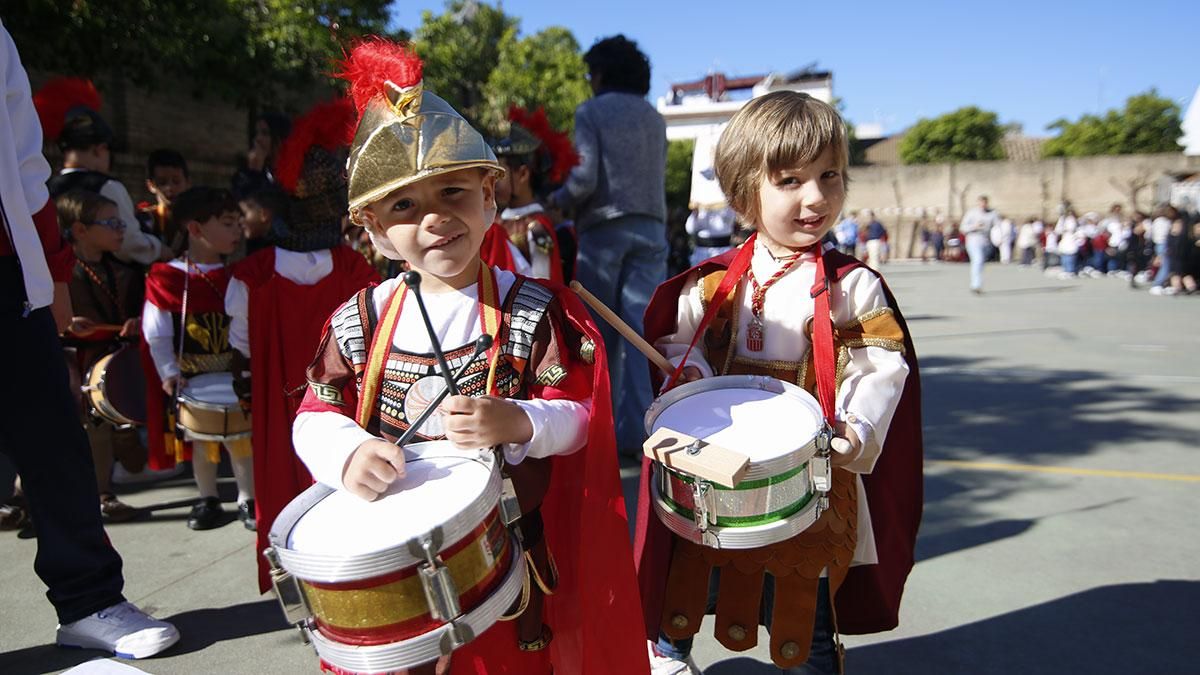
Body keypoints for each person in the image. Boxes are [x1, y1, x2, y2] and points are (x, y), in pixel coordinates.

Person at [292, 39, 647, 675]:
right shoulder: (359, 321)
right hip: (392, 562)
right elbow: (315, 414)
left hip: (503, 557)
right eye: (404, 205)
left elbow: (582, 418)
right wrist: (345, 452)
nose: (434, 219)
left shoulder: (534, 311)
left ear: (490, 196)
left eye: (452, 192)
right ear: (372, 229)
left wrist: (520, 422)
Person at [634, 91, 922, 675]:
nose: (816, 197)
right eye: (790, 180)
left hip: (809, 471)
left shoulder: (854, 287)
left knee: (805, 598)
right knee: (687, 574)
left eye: (829, 175)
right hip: (719, 465)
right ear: (744, 196)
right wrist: (688, 379)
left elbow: (879, 364)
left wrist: (853, 428)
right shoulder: (711, 284)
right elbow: (680, 349)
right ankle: (669, 656)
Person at [0, 20, 179, 657]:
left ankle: (90, 600)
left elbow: (23, 165)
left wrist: (50, 274)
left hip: (10, 278)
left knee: (53, 438)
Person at [225, 96, 380, 592]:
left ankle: (297, 582)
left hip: (280, 411)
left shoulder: (250, 277)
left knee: (285, 489)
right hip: (348, 410)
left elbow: (241, 345)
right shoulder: (359, 272)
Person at [547, 34, 668, 455]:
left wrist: (554, 203)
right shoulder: (654, 117)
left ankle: (596, 429)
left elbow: (584, 180)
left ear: (599, 73)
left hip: (603, 230)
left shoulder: (592, 112)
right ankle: (642, 429)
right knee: (640, 334)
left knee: (597, 333)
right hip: (651, 228)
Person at [141, 186, 256, 530]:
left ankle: (247, 498)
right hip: (192, 379)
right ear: (195, 229)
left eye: (238, 222)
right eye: (227, 223)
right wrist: (168, 371)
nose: (238, 230)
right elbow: (156, 332)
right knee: (204, 444)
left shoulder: (240, 274)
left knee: (241, 441)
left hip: (234, 375)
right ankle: (207, 498)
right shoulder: (166, 278)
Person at [57, 189, 145, 522]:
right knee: (64, 430)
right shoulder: (62, 274)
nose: (120, 229)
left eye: (121, 222)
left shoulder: (125, 272)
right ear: (80, 230)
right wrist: (64, 323)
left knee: (106, 430)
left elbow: (139, 311)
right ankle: (25, 499)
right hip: (71, 361)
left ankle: (103, 493)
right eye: (111, 223)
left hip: (112, 362)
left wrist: (138, 320)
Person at [34, 77, 171, 266]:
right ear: (99, 149)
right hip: (102, 280)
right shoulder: (107, 186)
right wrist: (159, 249)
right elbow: (129, 244)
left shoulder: (45, 186)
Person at [488, 105, 574, 284]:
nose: (492, 183)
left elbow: (543, 285)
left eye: (499, 174)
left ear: (523, 174)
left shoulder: (537, 229)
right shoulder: (494, 220)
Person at [138, 149, 191, 257]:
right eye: (162, 182)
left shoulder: (200, 221)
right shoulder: (144, 220)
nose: (169, 188)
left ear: (188, 182)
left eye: (176, 181)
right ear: (151, 185)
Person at [960, 195, 999, 292]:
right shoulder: (971, 213)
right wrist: (974, 226)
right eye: (981, 203)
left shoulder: (992, 214)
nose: (983, 205)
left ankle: (975, 283)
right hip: (973, 240)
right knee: (978, 260)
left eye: (985, 203)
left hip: (986, 241)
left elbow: (998, 227)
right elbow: (962, 228)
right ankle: (976, 285)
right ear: (978, 203)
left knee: (979, 262)